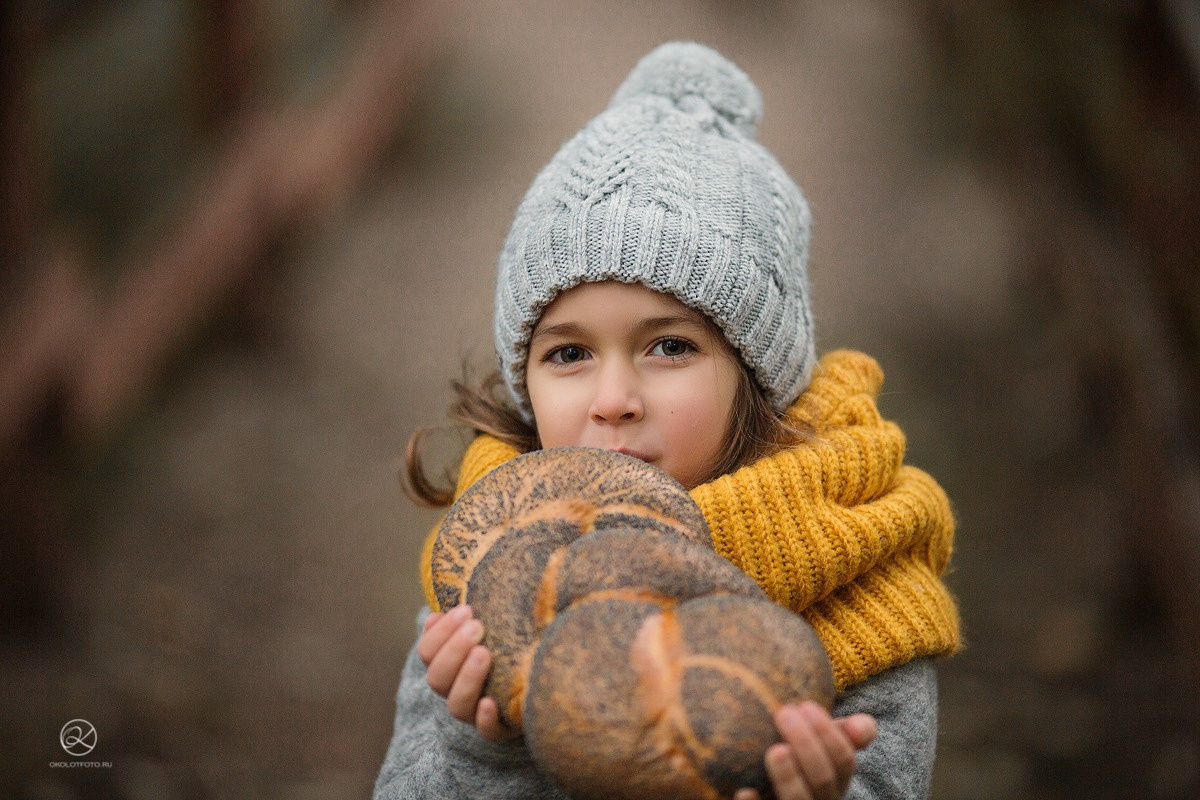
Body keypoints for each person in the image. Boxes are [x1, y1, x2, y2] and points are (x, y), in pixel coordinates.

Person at [374, 42, 960, 800]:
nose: (613, 397)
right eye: (568, 354)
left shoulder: (860, 589)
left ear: (755, 374)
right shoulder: (493, 585)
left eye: (671, 346)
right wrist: (494, 742)